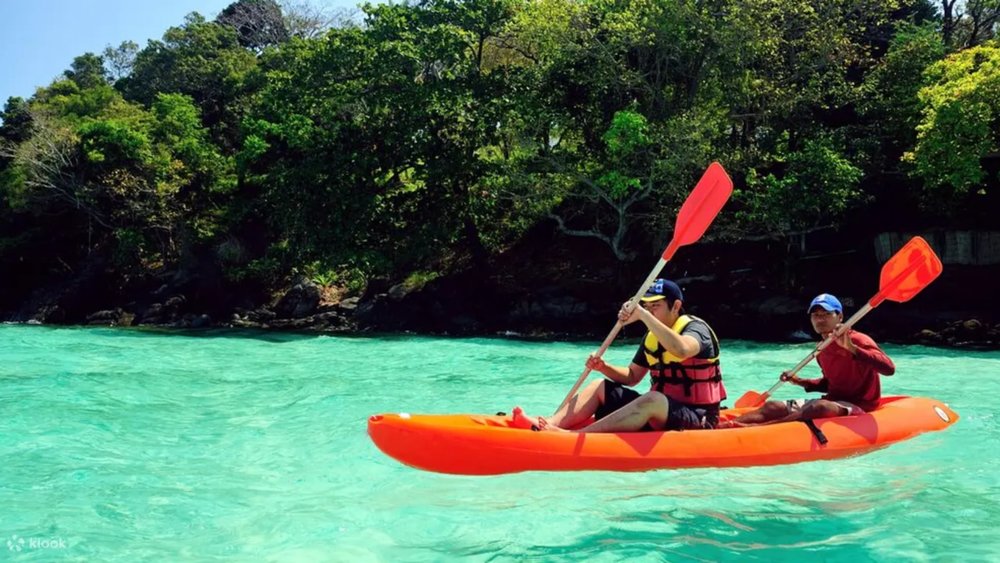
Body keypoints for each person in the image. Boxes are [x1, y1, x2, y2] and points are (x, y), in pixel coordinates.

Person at [513, 278, 726, 433]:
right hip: (663, 413)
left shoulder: (697, 330)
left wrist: (642, 315)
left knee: (652, 399)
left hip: (699, 418)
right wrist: (604, 367)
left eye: (656, 306)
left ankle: (574, 437)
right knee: (599, 385)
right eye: (647, 306)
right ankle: (548, 424)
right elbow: (632, 377)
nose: (650, 311)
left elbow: (681, 350)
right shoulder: (653, 337)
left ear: (676, 306)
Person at [719, 293, 896, 428]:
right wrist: (799, 381)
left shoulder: (858, 340)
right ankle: (728, 426)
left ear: (840, 317)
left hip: (860, 405)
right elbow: (830, 384)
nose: (820, 318)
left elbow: (888, 368)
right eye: (815, 315)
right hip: (834, 401)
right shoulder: (822, 349)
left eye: (826, 314)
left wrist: (852, 349)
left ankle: (758, 429)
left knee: (818, 408)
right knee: (773, 406)